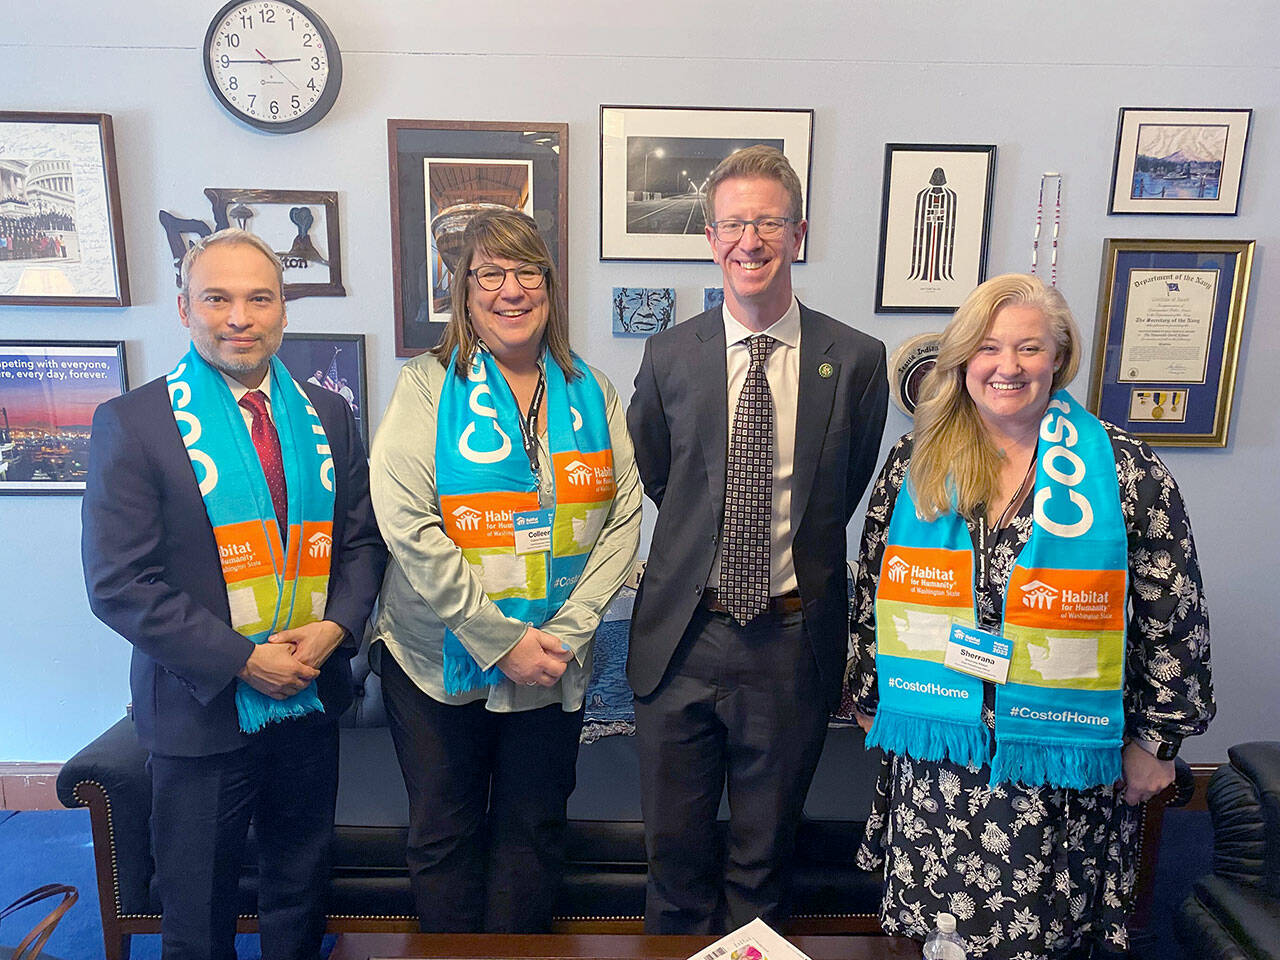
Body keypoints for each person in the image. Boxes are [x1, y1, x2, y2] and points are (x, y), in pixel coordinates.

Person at [845, 273, 1214, 958]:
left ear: (1058, 357)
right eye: (987, 348)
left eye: (1028, 348)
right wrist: (872, 701)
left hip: (1061, 762)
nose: (1007, 367)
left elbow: (1175, 615)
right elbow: (872, 588)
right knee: (945, 941)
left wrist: (1158, 740)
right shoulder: (916, 462)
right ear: (962, 360)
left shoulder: (1126, 471)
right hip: (943, 757)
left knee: (1043, 940)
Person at [81, 228, 386, 960]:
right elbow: (119, 583)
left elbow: (361, 542)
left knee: (300, 888)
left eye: (259, 298)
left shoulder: (328, 415)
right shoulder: (133, 424)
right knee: (198, 910)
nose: (239, 317)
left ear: (284, 313)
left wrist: (336, 629)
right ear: (186, 309)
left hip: (310, 699)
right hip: (200, 712)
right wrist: (245, 660)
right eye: (218, 298)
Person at [626, 144, 889, 933]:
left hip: (790, 639)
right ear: (711, 237)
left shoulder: (857, 360)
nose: (751, 239)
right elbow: (663, 476)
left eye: (768, 221)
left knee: (763, 858)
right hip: (682, 636)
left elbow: (838, 494)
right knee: (673, 858)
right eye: (734, 222)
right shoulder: (670, 353)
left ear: (799, 232)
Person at [369, 209, 642, 933]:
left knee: (535, 831)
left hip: (555, 660)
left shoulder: (592, 389)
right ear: (464, 290)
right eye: (490, 273)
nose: (510, 289)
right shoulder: (425, 387)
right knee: (445, 836)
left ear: (550, 289)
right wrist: (497, 638)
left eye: (527, 272)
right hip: (435, 659)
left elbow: (624, 515)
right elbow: (407, 521)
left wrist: (568, 632)